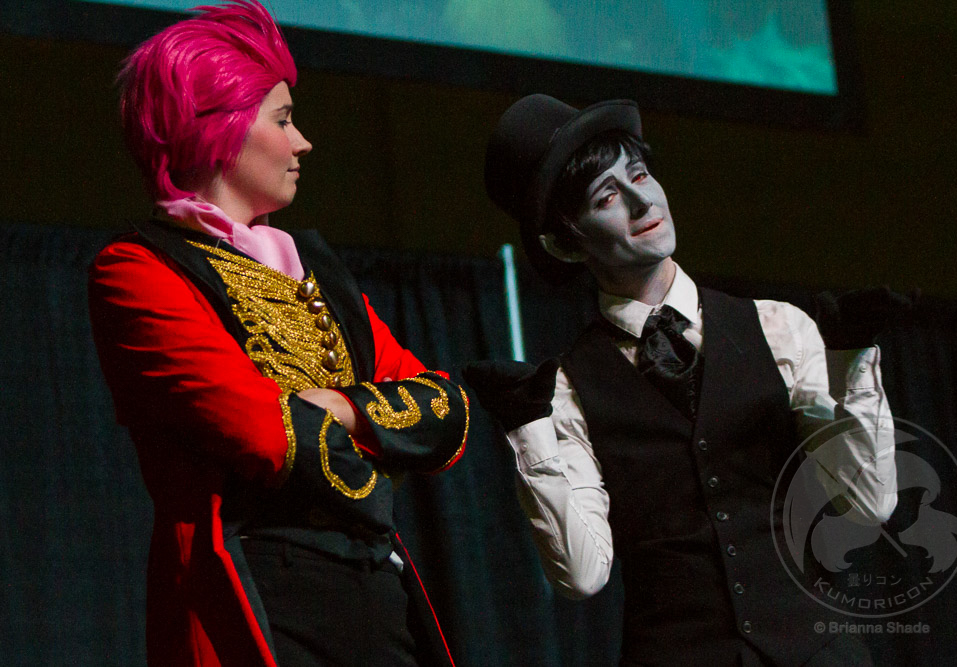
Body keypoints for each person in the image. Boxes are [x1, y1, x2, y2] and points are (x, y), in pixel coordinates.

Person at [88, 3, 467, 665]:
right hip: (263, 590)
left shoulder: (314, 268)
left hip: (377, 590)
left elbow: (445, 410)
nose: (302, 142)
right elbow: (270, 435)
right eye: (284, 119)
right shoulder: (139, 270)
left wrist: (338, 407)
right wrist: (380, 429)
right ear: (222, 127)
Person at [467, 94, 905, 666]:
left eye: (639, 174)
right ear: (565, 243)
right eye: (606, 197)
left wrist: (852, 364)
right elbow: (582, 575)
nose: (642, 200)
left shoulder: (777, 328)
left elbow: (868, 504)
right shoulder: (569, 388)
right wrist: (529, 428)